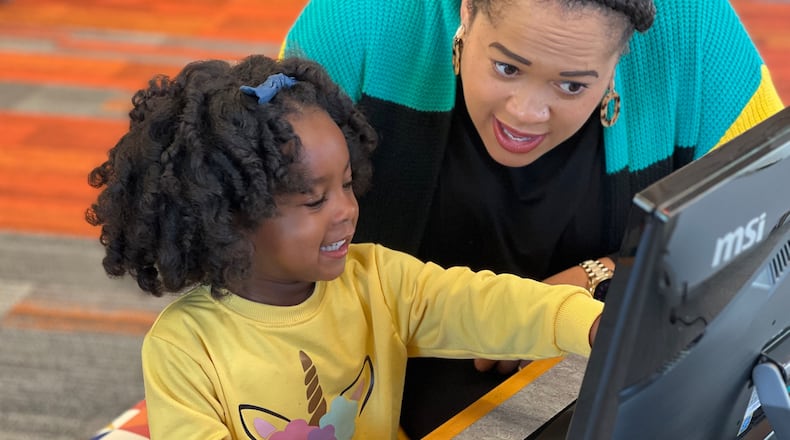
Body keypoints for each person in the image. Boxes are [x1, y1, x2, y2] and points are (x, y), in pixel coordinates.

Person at [282, 0, 785, 436]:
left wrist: (608, 276)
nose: (526, 113)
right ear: (467, 12)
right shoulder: (358, 19)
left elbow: (772, 220)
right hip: (364, 377)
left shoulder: (691, 28)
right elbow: (255, 220)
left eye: (571, 85)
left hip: (587, 364)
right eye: (506, 67)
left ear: (619, 61)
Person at [85, 54, 604, 439]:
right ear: (229, 219)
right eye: (314, 200)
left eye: (348, 184)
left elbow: (483, 303)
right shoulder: (184, 348)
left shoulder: (377, 279)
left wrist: (590, 323)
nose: (346, 210)